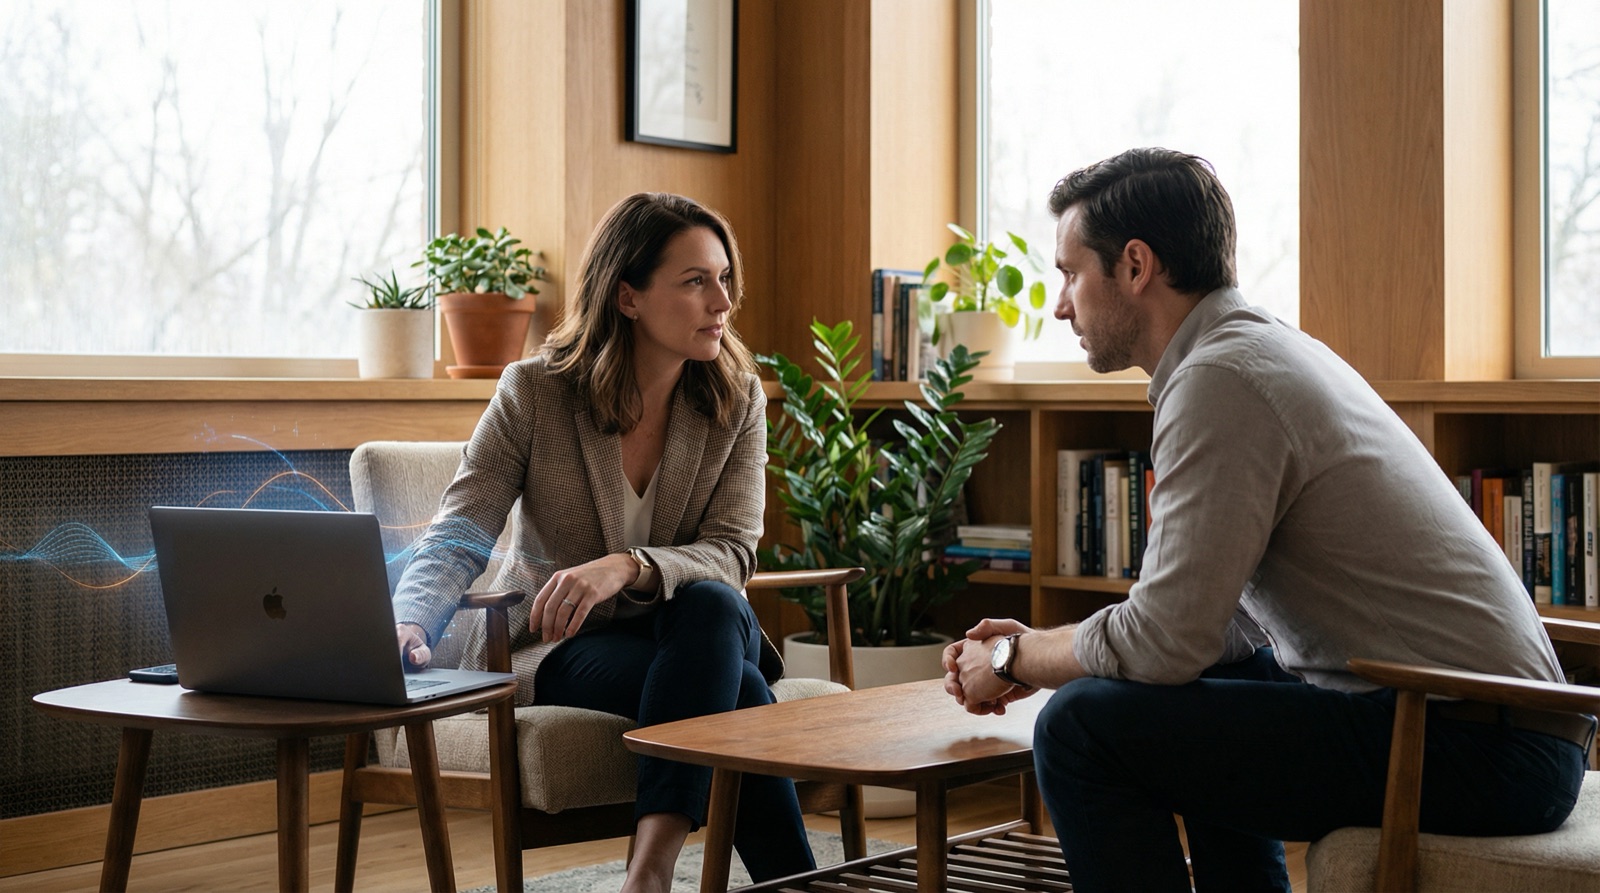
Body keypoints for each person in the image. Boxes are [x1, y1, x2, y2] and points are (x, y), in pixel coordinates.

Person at [943, 148, 1594, 892]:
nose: (1061, 305)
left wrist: (1016, 657)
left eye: (1069, 273)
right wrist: (1049, 652)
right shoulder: (1253, 350)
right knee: (1210, 675)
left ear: (1135, 265)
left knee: (1079, 726)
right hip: (1495, 729)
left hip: (1479, 746)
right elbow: (1202, 634)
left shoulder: (1220, 379)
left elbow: (1162, 639)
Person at [391, 192, 815, 892]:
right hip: (565, 642)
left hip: (699, 627)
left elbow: (734, 551)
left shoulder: (737, 400)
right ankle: (791, 883)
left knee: (710, 603)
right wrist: (411, 619)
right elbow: (462, 527)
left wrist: (628, 567)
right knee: (735, 690)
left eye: (724, 279)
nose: (722, 302)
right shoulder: (535, 393)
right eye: (696, 281)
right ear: (628, 297)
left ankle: (646, 872)